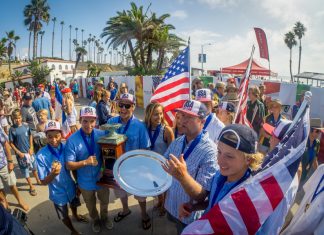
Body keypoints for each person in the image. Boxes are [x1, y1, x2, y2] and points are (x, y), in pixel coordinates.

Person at [163, 124, 263, 233]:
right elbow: (213, 202)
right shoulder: (219, 175)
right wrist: (194, 207)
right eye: (219, 152)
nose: (220, 161)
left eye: (229, 156)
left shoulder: (249, 196)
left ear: (249, 160)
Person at [162, 100, 218, 234]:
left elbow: (201, 196)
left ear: (202, 121)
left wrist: (183, 176)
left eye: (189, 117)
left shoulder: (210, 151)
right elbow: (163, 164)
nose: (182, 121)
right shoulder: (178, 141)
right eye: (182, 115)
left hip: (189, 215)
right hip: (171, 206)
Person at [107, 93, 151, 230]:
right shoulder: (110, 123)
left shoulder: (140, 126)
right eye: (121, 105)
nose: (123, 109)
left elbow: (144, 148)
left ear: (133, 107)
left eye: (127, 106)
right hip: (118, 169)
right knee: (120, 192)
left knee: (141, 195)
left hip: (135, 169)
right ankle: (125, 209)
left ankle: (144, 214)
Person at [65, 106, 113, 233]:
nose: (88, 125)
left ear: (96, 121)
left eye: (92, 121)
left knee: (104, 202)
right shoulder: (72, 140)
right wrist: (85, 162)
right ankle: (95, 220)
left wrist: (103, 168)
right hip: (85, 182)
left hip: (101, 179)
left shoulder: (101, 134)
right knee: (90, 206)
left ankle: (104, 217)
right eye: (85, 121)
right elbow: (69, 165)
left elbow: (108, 155)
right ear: (80, 120)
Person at [36, 121, 86, 235]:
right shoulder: (41, 155)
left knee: (74, 203)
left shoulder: (67, 146)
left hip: (71, 186)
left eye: (57, 136)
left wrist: (78, 182)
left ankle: (75, 215)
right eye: (50, 137)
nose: (54, 140)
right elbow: (43, 181)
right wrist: (53, 174)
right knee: (63, 215)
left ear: (61, 135)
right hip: (57, 192)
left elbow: (73, 167)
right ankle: (73, 231)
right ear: (45, 136)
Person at [144, 102, 174, 216]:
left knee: (165, 187)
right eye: (155, 114)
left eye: (161, 114)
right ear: (149, 115)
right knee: (156, 186)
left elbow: (173, 151)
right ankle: (160, 200)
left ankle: (164, 205)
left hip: (163, 166)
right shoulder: (145, 129)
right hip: (151, 165)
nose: (159, 117)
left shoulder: (167, 130)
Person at [9, 109, 41, 196]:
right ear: (13, 118)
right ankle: (31, 186)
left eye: (19, 118)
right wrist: (18, 152)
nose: (18, 120)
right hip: (21, 155)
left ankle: (38, 180)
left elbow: (30, 135)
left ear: (21, 117)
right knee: (25, 171)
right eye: (16, 118)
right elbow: (11, 143)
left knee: (34, 168)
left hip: (30, 152)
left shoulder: (26, 126)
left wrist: (31, 147)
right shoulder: (12, 129)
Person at [0, 126, 29, 211]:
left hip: (3, 164)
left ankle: (20, 200)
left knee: (12, 184)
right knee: (0, 189)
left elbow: (5, 144)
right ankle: (5, 203)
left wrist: (10, 161)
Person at [300, 118, 323, 185]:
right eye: (317, 131)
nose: (319, 134)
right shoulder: (302, 141)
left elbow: (315, 160)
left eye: (320, 131)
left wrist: (318, 173)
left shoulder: (317, 143)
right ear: (310, 130)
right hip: (295, 176)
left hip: (304, 176)